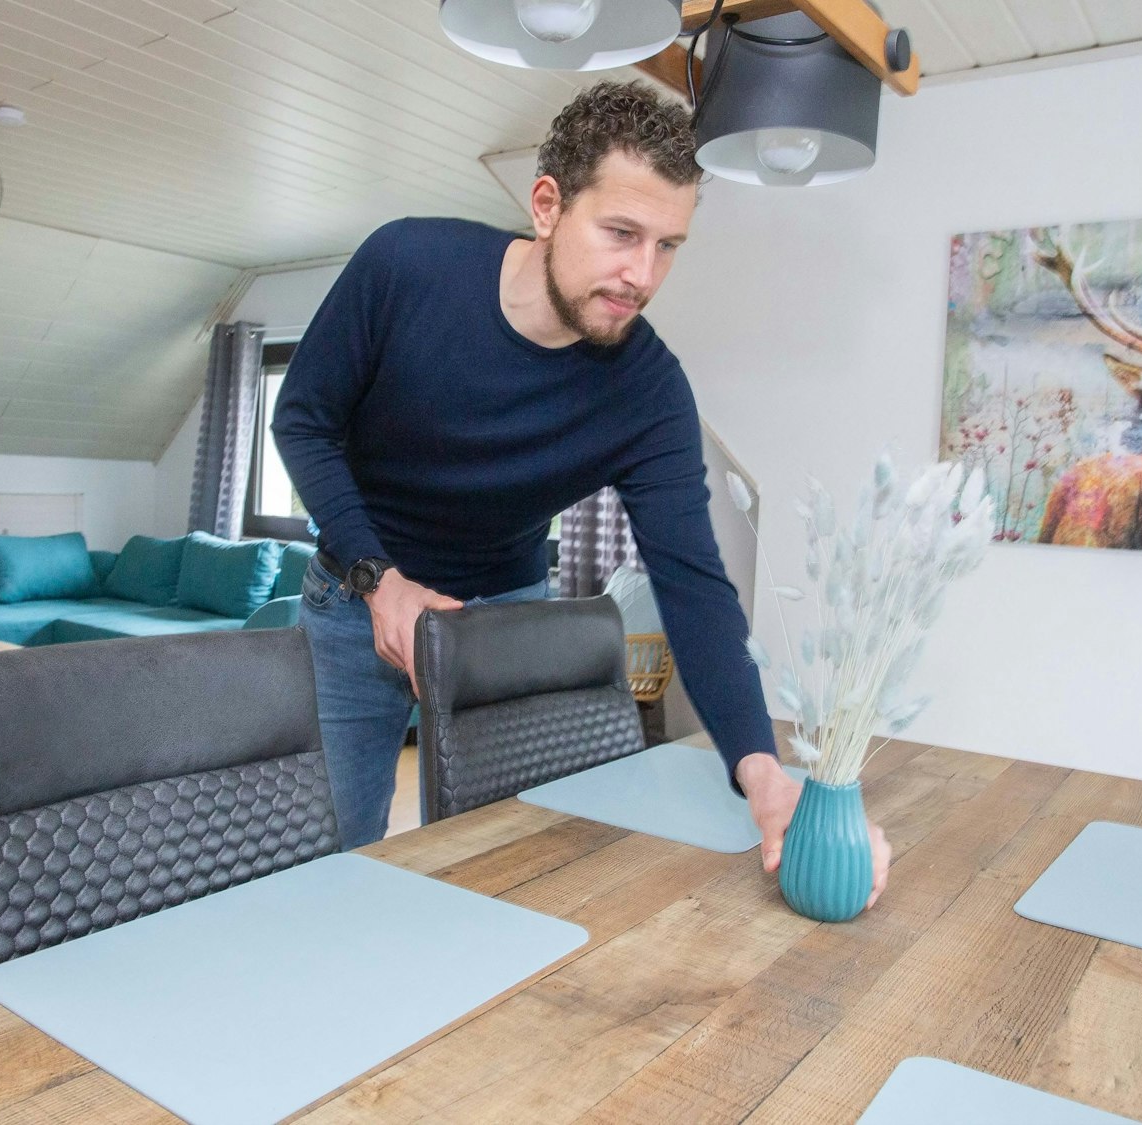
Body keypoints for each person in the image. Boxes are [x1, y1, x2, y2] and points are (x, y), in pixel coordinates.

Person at [274, 80, 889, 902]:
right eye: (622, 233)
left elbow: (694, 586)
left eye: (669, 244)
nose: (642, 274)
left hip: (506, 619)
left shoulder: (650, 392)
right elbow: (302, 422)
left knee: (504, 870)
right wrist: (378, 580)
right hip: (357, 602)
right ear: (547, 205)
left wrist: (762, 772)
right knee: (328, 869)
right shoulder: (405, 265)